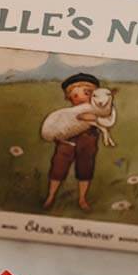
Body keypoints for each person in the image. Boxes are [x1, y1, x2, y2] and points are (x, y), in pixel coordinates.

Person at [43, 72, 102, 212]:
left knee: (85, 169)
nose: (81, 98)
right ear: (69, 97)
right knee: (58, 168)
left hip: (87, 143)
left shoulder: (96, 111)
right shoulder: (66, 115)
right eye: (75, 95)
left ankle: (82, 199)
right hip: (66, 144)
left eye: (86, 93)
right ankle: (51, 196)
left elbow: (98, 121)